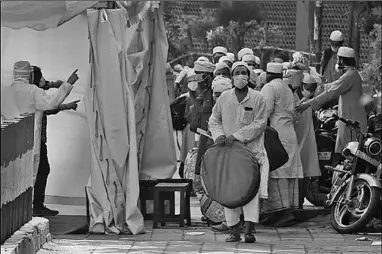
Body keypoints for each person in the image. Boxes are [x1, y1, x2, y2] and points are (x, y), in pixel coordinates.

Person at [209, 61, 269, 243]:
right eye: (237, 72)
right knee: (230, 191)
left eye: (244, 72)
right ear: (232, 76)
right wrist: (218, 135)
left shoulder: (258, 98)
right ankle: (234, 231)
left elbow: (260, 123)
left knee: (251, 193)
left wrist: (236, 136)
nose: (240, 76)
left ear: (249, 76)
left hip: (251, 153)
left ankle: (249, 231)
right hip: (229, 154)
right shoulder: (224, 98)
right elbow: (214, 120)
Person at [295, 46, 367, 166]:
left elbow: (330, 93)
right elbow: (329, 86)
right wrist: (310, 71)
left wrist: (307, 104)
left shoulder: (349, 76)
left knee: (348, 154)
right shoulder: (351, 74)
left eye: (338, 59)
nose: (337, 62)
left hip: (351, 122)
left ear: (343, 60)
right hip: (349, 119)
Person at [31, 66, 80, 216]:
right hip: (35, 142)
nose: (44, 80)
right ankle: (37, 206)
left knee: (40, 171)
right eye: (41, 77)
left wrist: (59, 84)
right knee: (41, 170)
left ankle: (36, 205)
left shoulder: (30, 90)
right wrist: (67, 86)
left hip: (36, 141)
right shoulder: (33, 93)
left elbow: (45, 86)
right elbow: (50, 106)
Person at [260, 63, 303, 226]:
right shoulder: (286, 87)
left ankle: (282, 214)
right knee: (288, 172)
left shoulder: (269, 87)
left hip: (276, 134)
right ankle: (281, 212)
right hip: (289, 132)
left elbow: (265, 111)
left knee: (277, 172)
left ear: (268, 74)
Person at [292, 72, 322, 207]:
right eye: (307, 88)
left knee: (304, 172)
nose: (309, 91)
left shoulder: (309, 102)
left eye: (312, 89)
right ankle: (296, 202)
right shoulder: (294, 99)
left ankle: (299, 202)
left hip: (307, 140)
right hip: (295, 139)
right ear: (301, 86)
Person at [189, 59, 216, 175]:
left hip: (212, 137)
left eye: (198, 73)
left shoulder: (214, 92)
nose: (196, 77)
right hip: (203, 136)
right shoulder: (200, 92)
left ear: (207, 75)